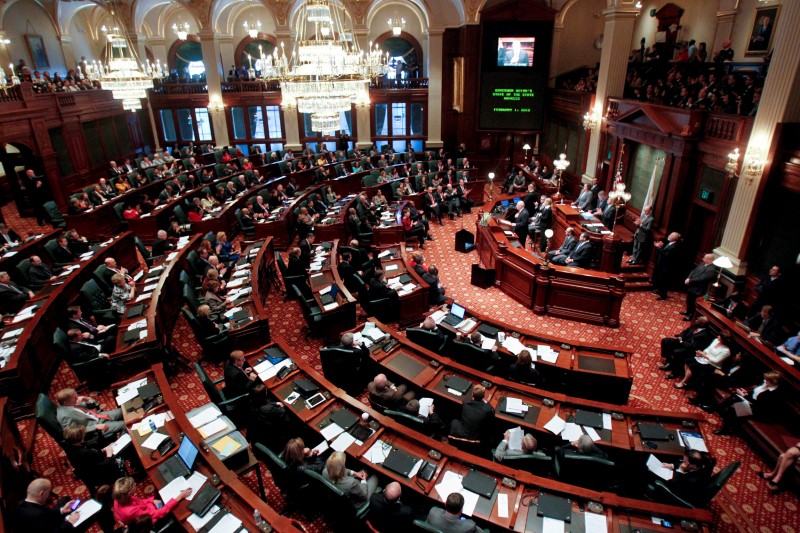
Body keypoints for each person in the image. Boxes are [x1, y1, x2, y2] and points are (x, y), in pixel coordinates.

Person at [714, 370, 783, 435]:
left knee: (733, 408)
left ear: (773, 382)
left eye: (767, 380)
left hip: (760, 412)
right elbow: (754, 394)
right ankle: (717, 410)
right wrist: (746, 394)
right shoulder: (765, 383)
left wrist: (745, 396)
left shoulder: (774, 394)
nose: (765, 381)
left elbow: (759, 406)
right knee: (734, 398)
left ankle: (725, 428)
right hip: (751, 404)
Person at [112, 477, 191, 525]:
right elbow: (159, 513)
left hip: (146, 511)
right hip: (147, 522)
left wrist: (152, 500)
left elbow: (140, 502)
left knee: (160, 496)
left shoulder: (120, 496)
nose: (136, 484)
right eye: (133, 485)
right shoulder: (130, 511)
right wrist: (179, 497)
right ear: (129, 493)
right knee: (179, 510)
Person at [63, 424, 121, 488]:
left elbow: (91, 459)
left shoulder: (69, 448)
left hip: (89, 473)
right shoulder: (84, 453)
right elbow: (103, 467)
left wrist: (103, 450)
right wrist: (109, 454)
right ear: (80, 437)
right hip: (101, 475)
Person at [14, 478, 81, 531]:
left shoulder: (21, 503)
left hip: (44, 522)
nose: (50, 496)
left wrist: (62, 510)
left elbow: (47, 514)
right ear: (41, 494)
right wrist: (70, 522)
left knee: (65, 499)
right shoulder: (37, 515)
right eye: (49, 493)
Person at [55, 388, 124, 436]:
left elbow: (95, 404)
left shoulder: (71, 404)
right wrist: (95, 427)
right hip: (96, 428)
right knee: (125, 424)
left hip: (99, 416)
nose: (77, 398)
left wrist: (87, 399)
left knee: (125, 410)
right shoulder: (65, 416)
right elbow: (73, 432)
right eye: (74, 398)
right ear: (66, 403)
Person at [682, 253, 716, 320]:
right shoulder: (702, 263)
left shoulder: (711, 269)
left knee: (693, 302)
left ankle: (691, 315)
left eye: (705, 258)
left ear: (710, 260)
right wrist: (688, 278)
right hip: (692, 286)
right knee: (689, 300)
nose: (703, 258)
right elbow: (693, 271)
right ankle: (688, 311)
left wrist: (690, 281)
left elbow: (701, 279)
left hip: (699, 289)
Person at [652, 232, 682, 300]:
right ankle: (659, 291)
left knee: (664, 281)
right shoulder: (669, 243)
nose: (669, 235)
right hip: (662, 264)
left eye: (670, 235)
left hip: (667, 267)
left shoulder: (674, 247)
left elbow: (665, 255)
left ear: (674, 238)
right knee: (661, 279)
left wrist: (658, 248)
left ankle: (663, 295)